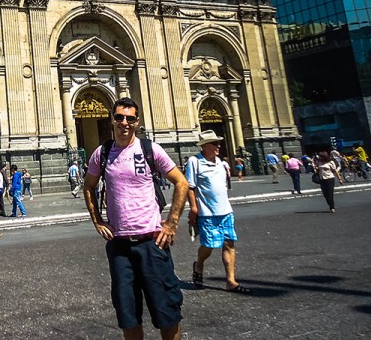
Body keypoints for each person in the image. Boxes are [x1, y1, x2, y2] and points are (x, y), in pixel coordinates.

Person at [83, 98, 189, 340]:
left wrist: (172, 223)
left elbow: (181, 182)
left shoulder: (150, 150)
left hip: (152, 243)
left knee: (168, 313)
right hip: (120, 247)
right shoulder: (102, 153)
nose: (124, 123)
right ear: (112, 119)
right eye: (119, 117)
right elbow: (88, 186)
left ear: (137, 122)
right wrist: (97, 221)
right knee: (128, 316)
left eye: (130, 119)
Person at [186, 131, 251, 295]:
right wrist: (193, 208)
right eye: (215, 143)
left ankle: (231, 281)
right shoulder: (194, 161)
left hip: (226, 211)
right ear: (204, 146)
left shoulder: (221, 163)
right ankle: (199, 264)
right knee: (209, 245)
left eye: (218, 143)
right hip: (207, 213)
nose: (218, 146)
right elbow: (190, 187)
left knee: (229, 243)